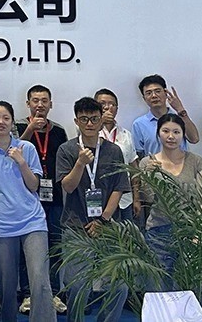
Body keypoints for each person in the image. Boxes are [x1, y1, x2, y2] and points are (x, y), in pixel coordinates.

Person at [0, 101, 56, 322]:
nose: (1, 122)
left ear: (12, 122)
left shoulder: (26, 148)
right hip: (1, 225)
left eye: (6, 118)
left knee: (39, 280)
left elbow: (34, 186)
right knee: (5, 284)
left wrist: (21, 162)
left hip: (33, 221)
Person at [55, 97, 129, 322]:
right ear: (76, 121)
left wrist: (103, 220)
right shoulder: (67, 149)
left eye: (94, 119)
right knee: (78, 286)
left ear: (101, 120)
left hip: (107, 226)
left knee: (120, 286)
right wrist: (80, 163)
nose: (89, 124)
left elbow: (119, 187)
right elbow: (67, 186)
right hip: (76, 226)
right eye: (84, 119)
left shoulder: (113, 151)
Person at [15, 85, 67, 314]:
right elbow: (12, 152)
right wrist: (29, 129)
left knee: (55, 246)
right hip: (25, 197)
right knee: (26, 247)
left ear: (51, 104)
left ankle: (53, 293)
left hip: (54, 197)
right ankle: (28, 294)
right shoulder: (17, 126)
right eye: (35, 100)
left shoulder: (59, 130)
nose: (40, 105)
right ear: (28, 104)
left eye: (44, 101)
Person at [137, 113, 202, 279]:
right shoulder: (147, 162)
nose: (171, 136)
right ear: (158, 133)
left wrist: (197, 231)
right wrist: (148, 175)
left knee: (188, 281)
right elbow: (148, 199)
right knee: (160, 281)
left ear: (183, 135)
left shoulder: (196, 161)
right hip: (158, 230)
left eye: (176, 132)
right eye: (166, 131)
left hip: (189, 229)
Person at [94, 89, 139, 224]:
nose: (107, 107)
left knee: (126, 234)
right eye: (102, 104)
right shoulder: (88, 132)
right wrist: (99, 122)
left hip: (124, 199)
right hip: (98, 197)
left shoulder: (126, 134)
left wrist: (136, 198)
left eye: (112, 104)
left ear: (117, 109)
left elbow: (133, 168)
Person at [131, 74, 199, 159]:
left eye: (157, 91)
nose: (154, 96)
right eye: (149, 93)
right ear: (144, 98)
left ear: (166, 93)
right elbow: (138, 154)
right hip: (154, 167)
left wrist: (180, 109)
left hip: (182, 165)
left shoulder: (179, 118)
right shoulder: (139, 124)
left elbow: (194, 139)